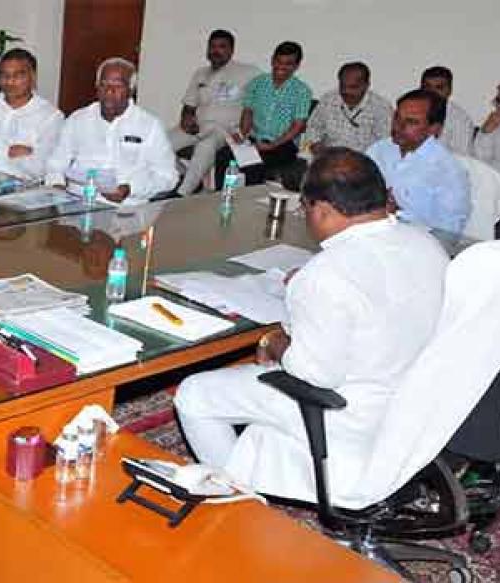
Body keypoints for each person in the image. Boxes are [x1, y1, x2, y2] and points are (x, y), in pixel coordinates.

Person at [174, 149, 449, 479]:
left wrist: (273, 340)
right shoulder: (427, 245)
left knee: (194, 394)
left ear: (323, 210)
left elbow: (313, 374)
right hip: (415, 407)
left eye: (304, 208)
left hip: (348, 413)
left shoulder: (326, 274)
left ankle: (236, 495)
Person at [44, 58, 178, 205]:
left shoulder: (149, 126)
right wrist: (57, 188)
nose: (109, 91)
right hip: (77, 204)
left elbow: (167, 177)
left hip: (126, 209)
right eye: (104, 85)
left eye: (118, 86)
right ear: (96, 87)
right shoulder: (78, 119)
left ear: (131, 90)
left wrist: (131, 189)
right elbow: (55, 163)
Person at [167, 29, 260, 195]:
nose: (216, 51)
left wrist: (247, 130)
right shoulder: (200, 73)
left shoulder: (249, 73)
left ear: (231, 50)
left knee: (205, 146)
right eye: (212, 46)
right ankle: (185, 176)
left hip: (225, 130)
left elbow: (259, 102)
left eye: (222, 46)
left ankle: (182, 192)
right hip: (198, 126)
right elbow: (189, 105)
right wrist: (186, 118)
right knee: (162, 143)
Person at [367, 89, 471, 234]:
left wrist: (398, 212)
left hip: (416, 245)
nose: (398, 127)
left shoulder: (448, 170)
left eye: (411, 122)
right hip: (369, 234)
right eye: (397, 117)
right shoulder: (378, 150)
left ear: (433, 129)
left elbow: (450, 232)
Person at [215, 41, 312, 186]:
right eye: (278, 61)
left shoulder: (302, 91)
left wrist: (273, 145)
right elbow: (248, 111)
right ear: (273, 60)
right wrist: (242, 134)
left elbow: (298, 126)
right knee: (223, 155)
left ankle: (251, 205)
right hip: (254, 139)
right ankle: (220, 198)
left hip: (283, 144)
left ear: (296, 66)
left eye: (288, 63)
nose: (281, 67)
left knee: (254, 166)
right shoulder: (257, 83)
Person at [0, 48, 65, 180]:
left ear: (33, 77)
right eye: (4, 75)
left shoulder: (51, 117)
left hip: (22, 187)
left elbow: (39, 168)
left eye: (18, 75)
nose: (9, 82)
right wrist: (10, 151)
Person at [303, 62, 392, 154]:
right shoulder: (328, 100)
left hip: (362, 160)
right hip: (328, 156)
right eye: (342, 86)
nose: (346, 92)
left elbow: (384, 143)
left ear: (366, 85)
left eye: (353, 87)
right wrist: (315, 144)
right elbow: (313, 127)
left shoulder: (381, 107)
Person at [420, 66, 474, 156]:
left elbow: (462, 158)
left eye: (439, 88)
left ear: (449, 90)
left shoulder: (461, 119)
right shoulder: (408, 110)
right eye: (427, 87)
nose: (432, 92)